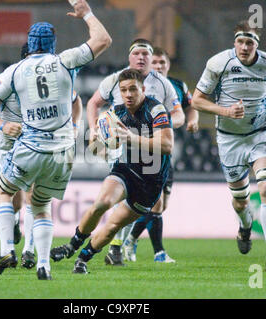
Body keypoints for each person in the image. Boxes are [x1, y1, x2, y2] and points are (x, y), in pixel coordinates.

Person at [0, 0, 112, 280]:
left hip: (31, 145)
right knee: (40, 205)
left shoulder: (14, 71)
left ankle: (6, 250)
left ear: (29, 43)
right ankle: (43, 266)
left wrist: (3, 125)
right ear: (52, 44)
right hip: (63, 152)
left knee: (5, 192)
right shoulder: (65, 60)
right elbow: (103, 39)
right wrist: (86, 13)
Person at [191, 21, 266, 271]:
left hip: (260, 135)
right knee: (240, 202)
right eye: (240, 41)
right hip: (229, 140)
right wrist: (225, 111)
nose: (244, 47)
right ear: (234, 42)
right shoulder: (218, 63)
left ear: (257, 44)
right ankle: (245, 226)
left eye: (249, 42)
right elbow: (196, 100)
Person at [70, 38, 184, 266]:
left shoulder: (162, 88)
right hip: (124, 156)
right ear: (129, 57)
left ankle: (120, 243)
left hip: (153, 159)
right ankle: (89, 247)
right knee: (103, 202)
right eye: (137, 53)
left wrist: (164, 125)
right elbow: (94, 104)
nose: (141, 58)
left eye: (146, 54)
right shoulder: (115, 87)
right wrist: (96, 134)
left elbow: (176, 118)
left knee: (154, 207)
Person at [51, 68, 174, 274]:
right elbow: (100, 150)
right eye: (123, 90)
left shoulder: (156, 109)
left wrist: (132, 138)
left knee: (113, 226)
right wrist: (97, 143)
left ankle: (83, 259)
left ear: (142, 89)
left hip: (151, 184)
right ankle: (72, 245)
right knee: (102, 203)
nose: (128, 95)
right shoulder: (116, 113)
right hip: (125, 170)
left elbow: (167, 145)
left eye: (133, 89)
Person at [0, 43, 84, 270]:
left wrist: (75, 126)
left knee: (31, 195)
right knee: (16, 199)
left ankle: (27, 250)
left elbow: (75, 100)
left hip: (35, 143)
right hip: (10, 143)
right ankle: (16, 232)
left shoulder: (50, 81)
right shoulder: (11, 77)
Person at [121, 46, 199, 263]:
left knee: (161, 205)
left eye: (162, 63)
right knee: (154, 204)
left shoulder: (176, 85)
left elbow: (191, 107)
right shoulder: (137, 85)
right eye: (154, 62)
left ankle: (130, 239)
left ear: (168, 65)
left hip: (163, 150)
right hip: (140, 151)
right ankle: (158, 253)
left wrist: (191, 120)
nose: (158, 66)